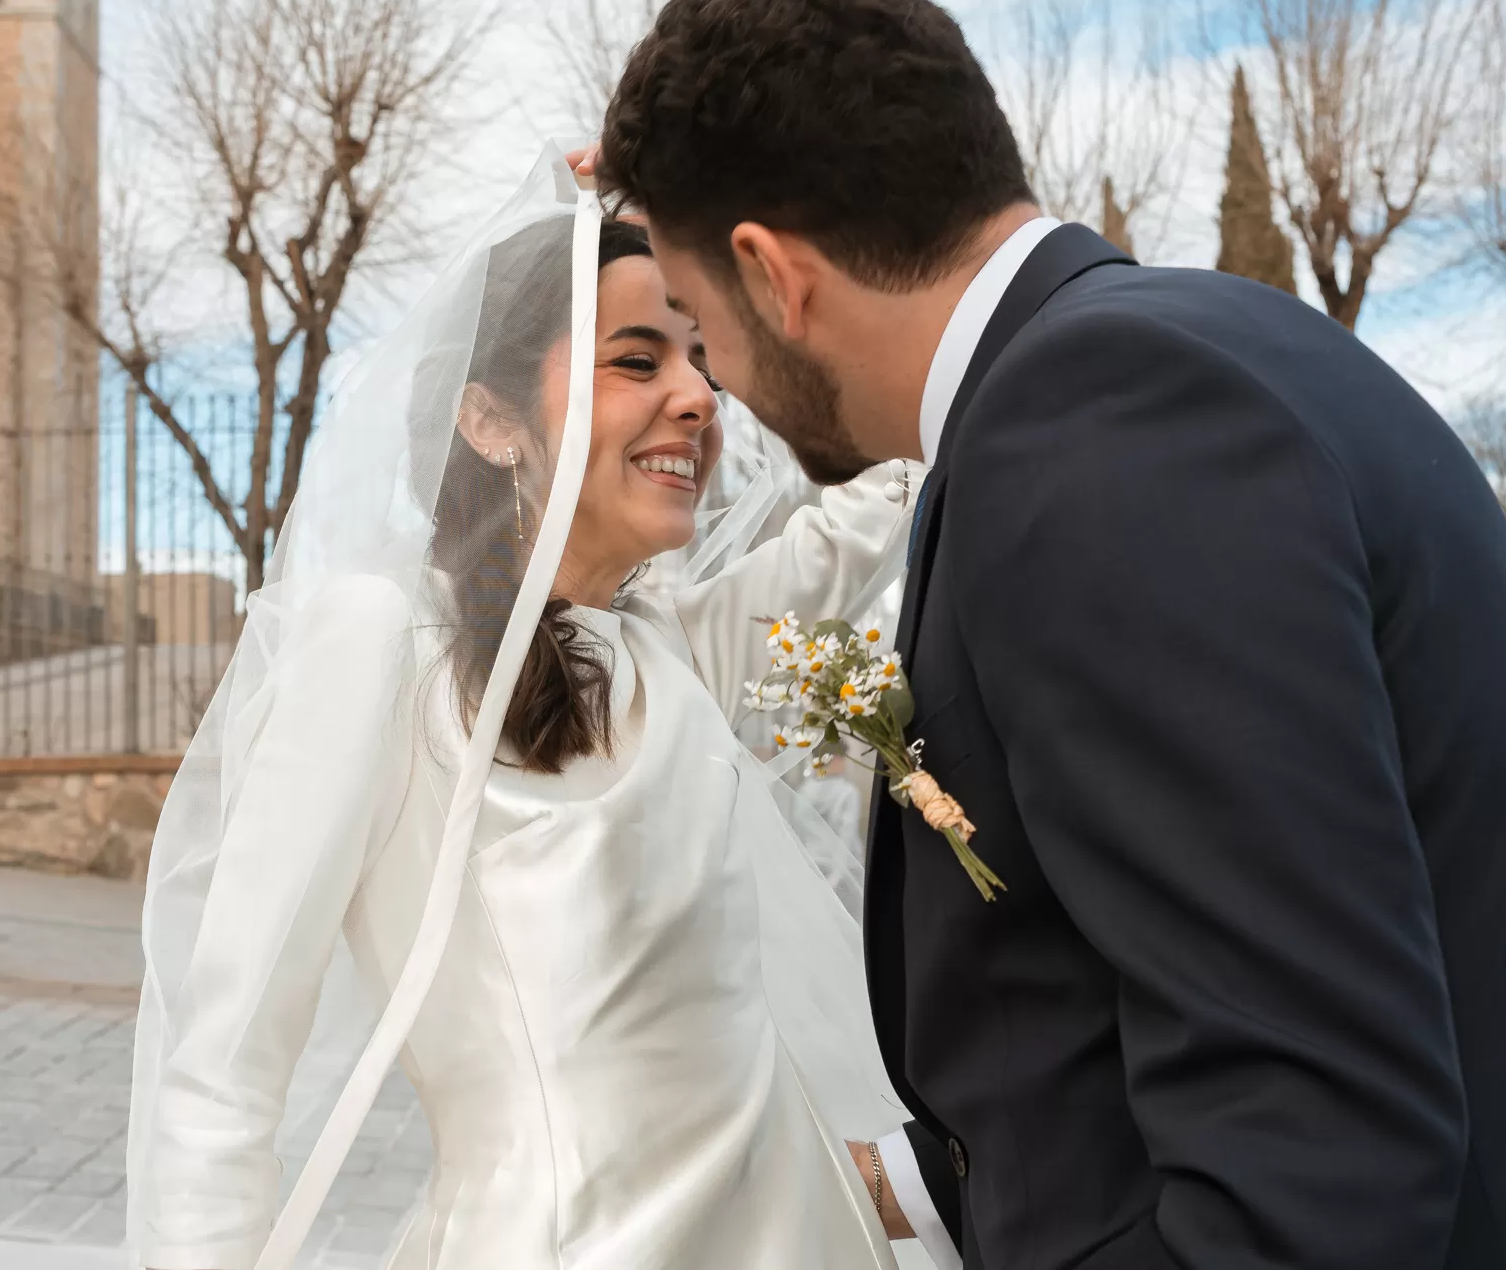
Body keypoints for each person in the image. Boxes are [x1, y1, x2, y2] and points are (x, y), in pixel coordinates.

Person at [593, 0, 1506, 1270]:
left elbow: (1305, 1160)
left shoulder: (1099, 434)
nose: (717, 385)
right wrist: (905, 1183)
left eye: (699, 322)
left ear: (774, 273)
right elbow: (1157, 982)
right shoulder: (1192, 360)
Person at [126, 168, 924, 1269]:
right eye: (637, 359)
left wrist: (731, 205)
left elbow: (903, 464)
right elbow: (225, 1070)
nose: (697, 396)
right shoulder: (384, 647)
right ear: (490, 419)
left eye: (701, 358)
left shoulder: (675, 650)